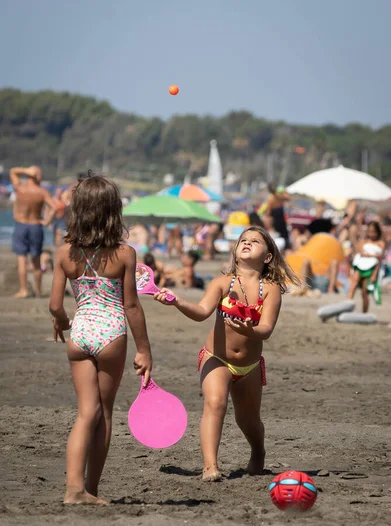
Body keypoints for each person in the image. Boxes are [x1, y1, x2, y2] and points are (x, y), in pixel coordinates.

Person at [154, 226, 300, 482]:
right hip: (216, 358)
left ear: (267, 257)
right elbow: (201, 312)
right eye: (243, 240)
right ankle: (210, 466)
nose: (247, 243)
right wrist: (177, 302)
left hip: (249, 366)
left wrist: (250, 330)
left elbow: (265, 330)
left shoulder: (271, 289)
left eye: (255, 241)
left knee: (248, 420)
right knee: (215, 403)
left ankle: (258, 451)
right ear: (235, 250)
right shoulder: (222, 282)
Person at [49, 173, 152, 505]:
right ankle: (91, 489)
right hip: (111, 334)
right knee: (104, 412)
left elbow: (54, 305)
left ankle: (72, 488)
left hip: (80, 335)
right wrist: (145, 350)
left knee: (84, 414)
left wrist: (61, 322)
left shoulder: (65, 253)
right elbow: (132, 305)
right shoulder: (124, 254)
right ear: (113, 212)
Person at [10, 165, 57, 298]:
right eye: (40, 174)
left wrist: (25, 171)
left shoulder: (20, 188)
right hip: (36, 226)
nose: (41, 176)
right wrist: (47, 221)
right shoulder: (41, 192)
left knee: (22, 259)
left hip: (21, 225)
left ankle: (24, 290)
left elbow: (13, 171)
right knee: (36, 261)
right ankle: (37, 291)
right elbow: (54, 207)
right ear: (36, 176)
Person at [348, 221, 386, 312]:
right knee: (354, 283)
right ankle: (348, 302)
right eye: (370, 232)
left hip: (371, 268)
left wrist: (375, 274)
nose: (371, 234)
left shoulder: (381, 243)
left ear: (378, 232)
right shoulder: (364, 241)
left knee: (365, 292)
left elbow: (379, 260)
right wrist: (374, 256)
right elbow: (361, 253)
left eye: (373, 232)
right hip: (360, 265)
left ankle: (364, 312)